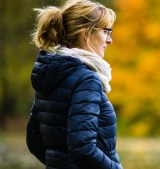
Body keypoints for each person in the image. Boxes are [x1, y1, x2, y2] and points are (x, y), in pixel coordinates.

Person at [26, 0, 122, 168]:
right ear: (86, 33)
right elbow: (83, 148)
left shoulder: (53, 73)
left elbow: (34, 140)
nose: (110, 40)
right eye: (106, 32)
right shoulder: (86, 79)